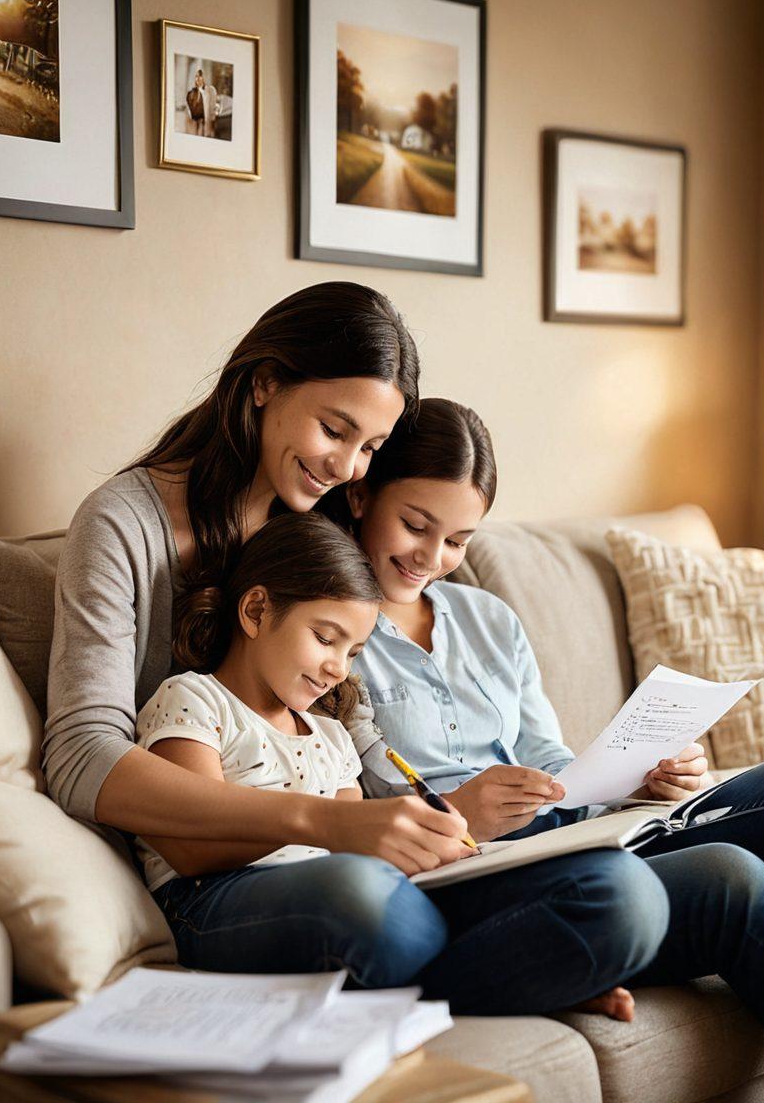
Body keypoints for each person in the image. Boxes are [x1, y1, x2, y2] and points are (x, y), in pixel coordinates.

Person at [321, 397, 764, 1066]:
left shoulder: (486, 618)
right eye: (416, 526)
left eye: (458, 541)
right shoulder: (327, 628)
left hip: (566, 837)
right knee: (727, 877)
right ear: (361, 495)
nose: (432, 557)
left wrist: (636, 778)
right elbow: (331, 793)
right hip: (463, 874)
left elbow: (547, 759)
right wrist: (458, 813)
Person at [43, 282, 471, 885]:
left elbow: (356, 731)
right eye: (333, 428)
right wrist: (317, 821)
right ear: (265, 382)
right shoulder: (123, 524)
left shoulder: (329, 526)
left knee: (611, 891)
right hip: (222, 876)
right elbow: (81, 754)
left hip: (338, 857)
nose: (346, 468)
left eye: (369, 447)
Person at [135, 512, 459, 984]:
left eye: (352, 653)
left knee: (415, 890)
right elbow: (193, 845)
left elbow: (357, 847)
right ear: (256, 612)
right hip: (210, 899)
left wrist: (425, 849)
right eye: (326, 639)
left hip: (329, 894)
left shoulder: (330, 734)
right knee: (359, 891)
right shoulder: (192, 699)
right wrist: (327, 826)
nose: (339, 669)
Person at [186, 69, 217, 137]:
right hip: (195, 118)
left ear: (203, 78)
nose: (198, 78)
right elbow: (189, 105)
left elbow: (211, 106)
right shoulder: (192, 92)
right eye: (196, 76)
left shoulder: (209, 90)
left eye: (200, 76)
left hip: (205, 120)